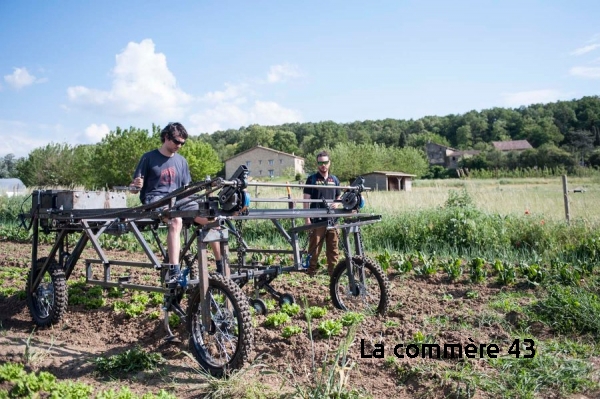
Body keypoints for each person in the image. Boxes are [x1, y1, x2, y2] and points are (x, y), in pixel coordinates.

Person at [130, 122, 223, 273]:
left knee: (212, 219)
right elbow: (134, 189)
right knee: (176, 220)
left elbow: (187, 189)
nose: (179, 146)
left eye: (182, 143)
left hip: (180, 199)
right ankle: (174, 271)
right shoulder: (148, 158)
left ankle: (221, 267)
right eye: (177, 142)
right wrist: (135, 186)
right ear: (166, 137)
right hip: (156, 199)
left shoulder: (182, 161)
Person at [303, 150, 342, 277]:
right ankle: (310, 274)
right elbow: (306, 200)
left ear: (329, 163)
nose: (323, 165)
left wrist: (337, 203)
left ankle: (333, 275)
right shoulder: (311, 179)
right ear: (317, 164)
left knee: (333, 249)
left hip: (333, 220)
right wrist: (307, 218)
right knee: (314, 250)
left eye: (325, 162)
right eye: (320, 163)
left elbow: (339, 197)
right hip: (317, 221)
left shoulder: (334, 180)